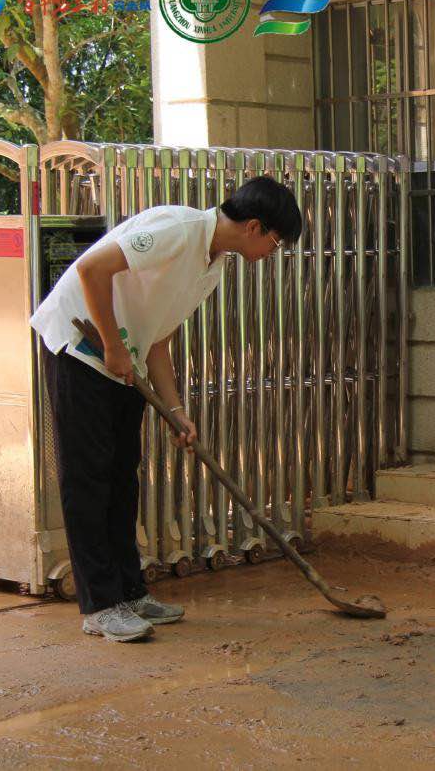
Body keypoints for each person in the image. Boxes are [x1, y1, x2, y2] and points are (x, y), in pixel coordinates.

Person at [30, 176, 302, 642]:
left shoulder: (213, 265)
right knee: (88, 477)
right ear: (255, 227)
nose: (273, 253)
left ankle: (129, 592)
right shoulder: (177, 229)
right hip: (81, 347)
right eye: (277, 243)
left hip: (122, 359)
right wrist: (113, 346)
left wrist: (176, 409)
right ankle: (99, 606)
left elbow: (158, 338)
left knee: (121, 475)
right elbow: (91, 269)